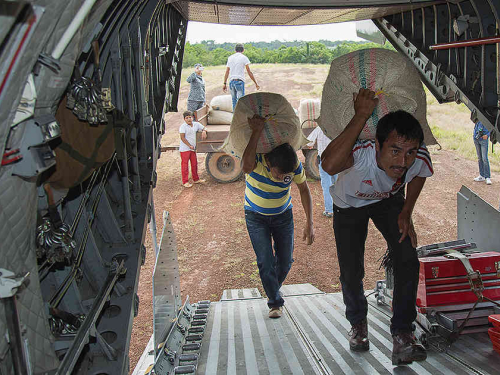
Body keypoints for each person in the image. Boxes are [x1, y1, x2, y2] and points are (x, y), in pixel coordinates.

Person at [321, 89, 433, 366]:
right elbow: (328, 164)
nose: (403, 161)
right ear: (377, 145)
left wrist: (407, 211)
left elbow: (420, 173)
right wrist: (361, 114)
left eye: (409, 152)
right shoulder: (361, 154)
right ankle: (358, 324)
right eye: (394, 150)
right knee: (351, 269)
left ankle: (403, 335)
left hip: (388, 201)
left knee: (407, 256)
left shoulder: (416, 157)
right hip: (348, 205)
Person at [241, 115, 314, 319]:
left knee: (285, 261)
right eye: (278, 174)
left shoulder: (293, 166)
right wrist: (256, 131)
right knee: (265, 261)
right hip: (255, 217)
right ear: (268, 162)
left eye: (285, 176)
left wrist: (310, 223)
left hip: (283, 216)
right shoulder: (255, 160)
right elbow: (244, 168)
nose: (283, 179)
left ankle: (272, 288)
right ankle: (275, 302)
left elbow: (304, 190)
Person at [306, 126, 338, 218]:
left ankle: (329, 211)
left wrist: (314, 144)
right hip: (336, 160)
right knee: (337, 184)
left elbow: (309, 143)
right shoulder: (336, 128)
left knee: (327, 186)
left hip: (324, 161)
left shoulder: (319, 128)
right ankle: (340, 208)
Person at [223, 44, 260, 110]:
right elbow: (249, 72)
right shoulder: (244, 58)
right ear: (243, 50)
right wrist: (256, 83)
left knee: (234, 101)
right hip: (239, 81)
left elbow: (227, 72)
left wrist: (224, 83)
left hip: (231, 82)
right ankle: (240, 118)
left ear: (235, 50)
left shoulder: (230, 58)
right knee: (241, 102)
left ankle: (235, 118)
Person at [179, 110, 207, 187]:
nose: (189, 119)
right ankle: (185, 182)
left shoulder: (196, 124)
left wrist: (204, 131)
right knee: (185, 165)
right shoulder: (183, 127)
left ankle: (196, 179)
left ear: (193, 118)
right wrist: (189, 145)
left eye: (190, 117)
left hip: (192, 149)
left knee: (194, 164)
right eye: (187, 118)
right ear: (184, 119)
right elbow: (182, 137)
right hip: (185, 149)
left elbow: (204, 127)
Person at [473, 120, 492, 185]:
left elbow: (493, 128)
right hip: (476, 138)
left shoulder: (488, 116)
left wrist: (487, 135)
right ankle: (481, 175)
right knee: (479, 158)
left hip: (484, 139)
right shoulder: (479, 114)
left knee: (484, 158)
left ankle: (487, 177)